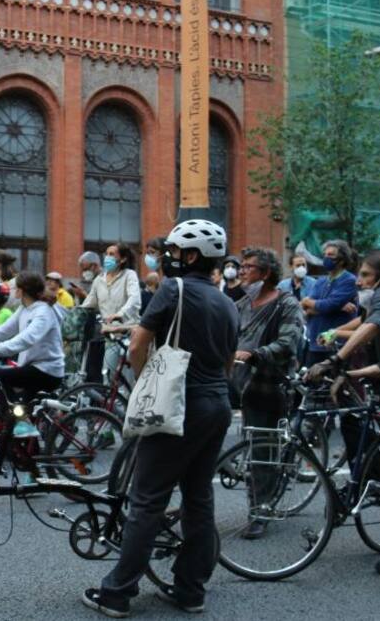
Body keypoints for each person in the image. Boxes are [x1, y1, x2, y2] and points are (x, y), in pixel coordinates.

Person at [84, 219, 238, 617]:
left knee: (148, 499)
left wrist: (143, 382)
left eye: (173, 251)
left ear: (191, 256)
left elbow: (139, 342)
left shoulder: (175, 287)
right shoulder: (226, 301)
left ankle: (117, 592)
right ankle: (191, 590)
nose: (167, 257)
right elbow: (228, 361)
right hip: (217, 404)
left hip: (177, 403)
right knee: (199, 498)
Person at [308, 249, 380, 591]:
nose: (359, 283)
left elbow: (373, 323)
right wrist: (350, 372)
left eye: (364, 276)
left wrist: (337, 360)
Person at [232, 247, 304, 540]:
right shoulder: (241, 304)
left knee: (262, 449)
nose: (242, 271)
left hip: (269, 384)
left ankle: (260, 511)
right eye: (243, 266)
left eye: (249, 267)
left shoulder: (286, 303)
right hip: (238, 382)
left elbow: (288, 343)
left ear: (266, 273)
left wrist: (253, 354)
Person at [0, 271, 64, 439]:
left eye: (15, 288)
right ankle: (22, 434)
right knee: (9, 416)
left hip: (47, 371)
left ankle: (24, 423)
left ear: (21, 291)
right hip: (32, 367)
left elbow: (27, 339)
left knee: (0, 376)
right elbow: (2, 332)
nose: (12, 291)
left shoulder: (43, 312)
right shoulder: (24, 309)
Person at [81, 242, 142, 384]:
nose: (107, 257)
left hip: (129, 334)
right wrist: (73, 315)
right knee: (108, 378)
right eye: (106, 254)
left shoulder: (129, 275)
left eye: (111, 254)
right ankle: (112, 406)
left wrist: (120, 314)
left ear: (123, 259)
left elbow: (135, 299)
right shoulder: (99, 280)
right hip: (110, 336)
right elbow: (89, 303)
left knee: (128, 380)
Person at [302, 240, 359, 367]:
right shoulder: (321, 281)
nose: (326, 258)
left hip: (336, 345)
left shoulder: (349, 280)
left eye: (331, 255)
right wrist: (337, 308)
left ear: (342, 260)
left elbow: (328, 305)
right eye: (325, 255)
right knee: (311, 382)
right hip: (315, 342)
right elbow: (306, 308)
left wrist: (310, 302)